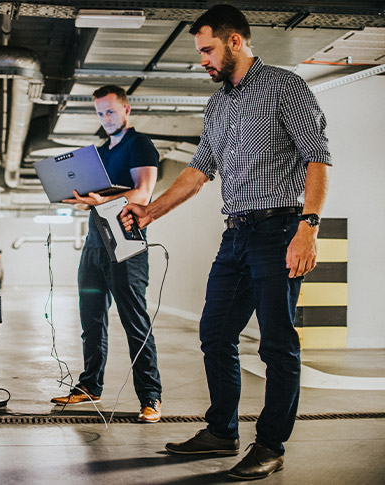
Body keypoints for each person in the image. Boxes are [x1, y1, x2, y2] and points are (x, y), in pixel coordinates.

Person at [120, 4, 331, 480]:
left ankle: (271, 445)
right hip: (235, 234)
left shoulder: (285, 87)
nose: (203, 60)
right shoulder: (217, 105)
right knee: (215, 335)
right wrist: (149, 211)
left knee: (277, 345)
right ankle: (221, 430)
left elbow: (317, 160)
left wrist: (308, 228)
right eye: (200, 52)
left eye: (208, 50)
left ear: (236, 41)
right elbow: (198, 173)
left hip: (280, 230)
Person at [50, 85, 163, 423]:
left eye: (111, 111)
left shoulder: (139, 144)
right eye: (100, 113)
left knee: (135, 322)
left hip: (127, 243)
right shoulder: (98, 153)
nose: (106, 118)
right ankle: (89, 387)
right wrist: (77, 198)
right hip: (95, 243)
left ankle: (151, 397)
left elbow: (143, 193)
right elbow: (93, 195)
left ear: (126, 110)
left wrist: (103, 202)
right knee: (92, 319)